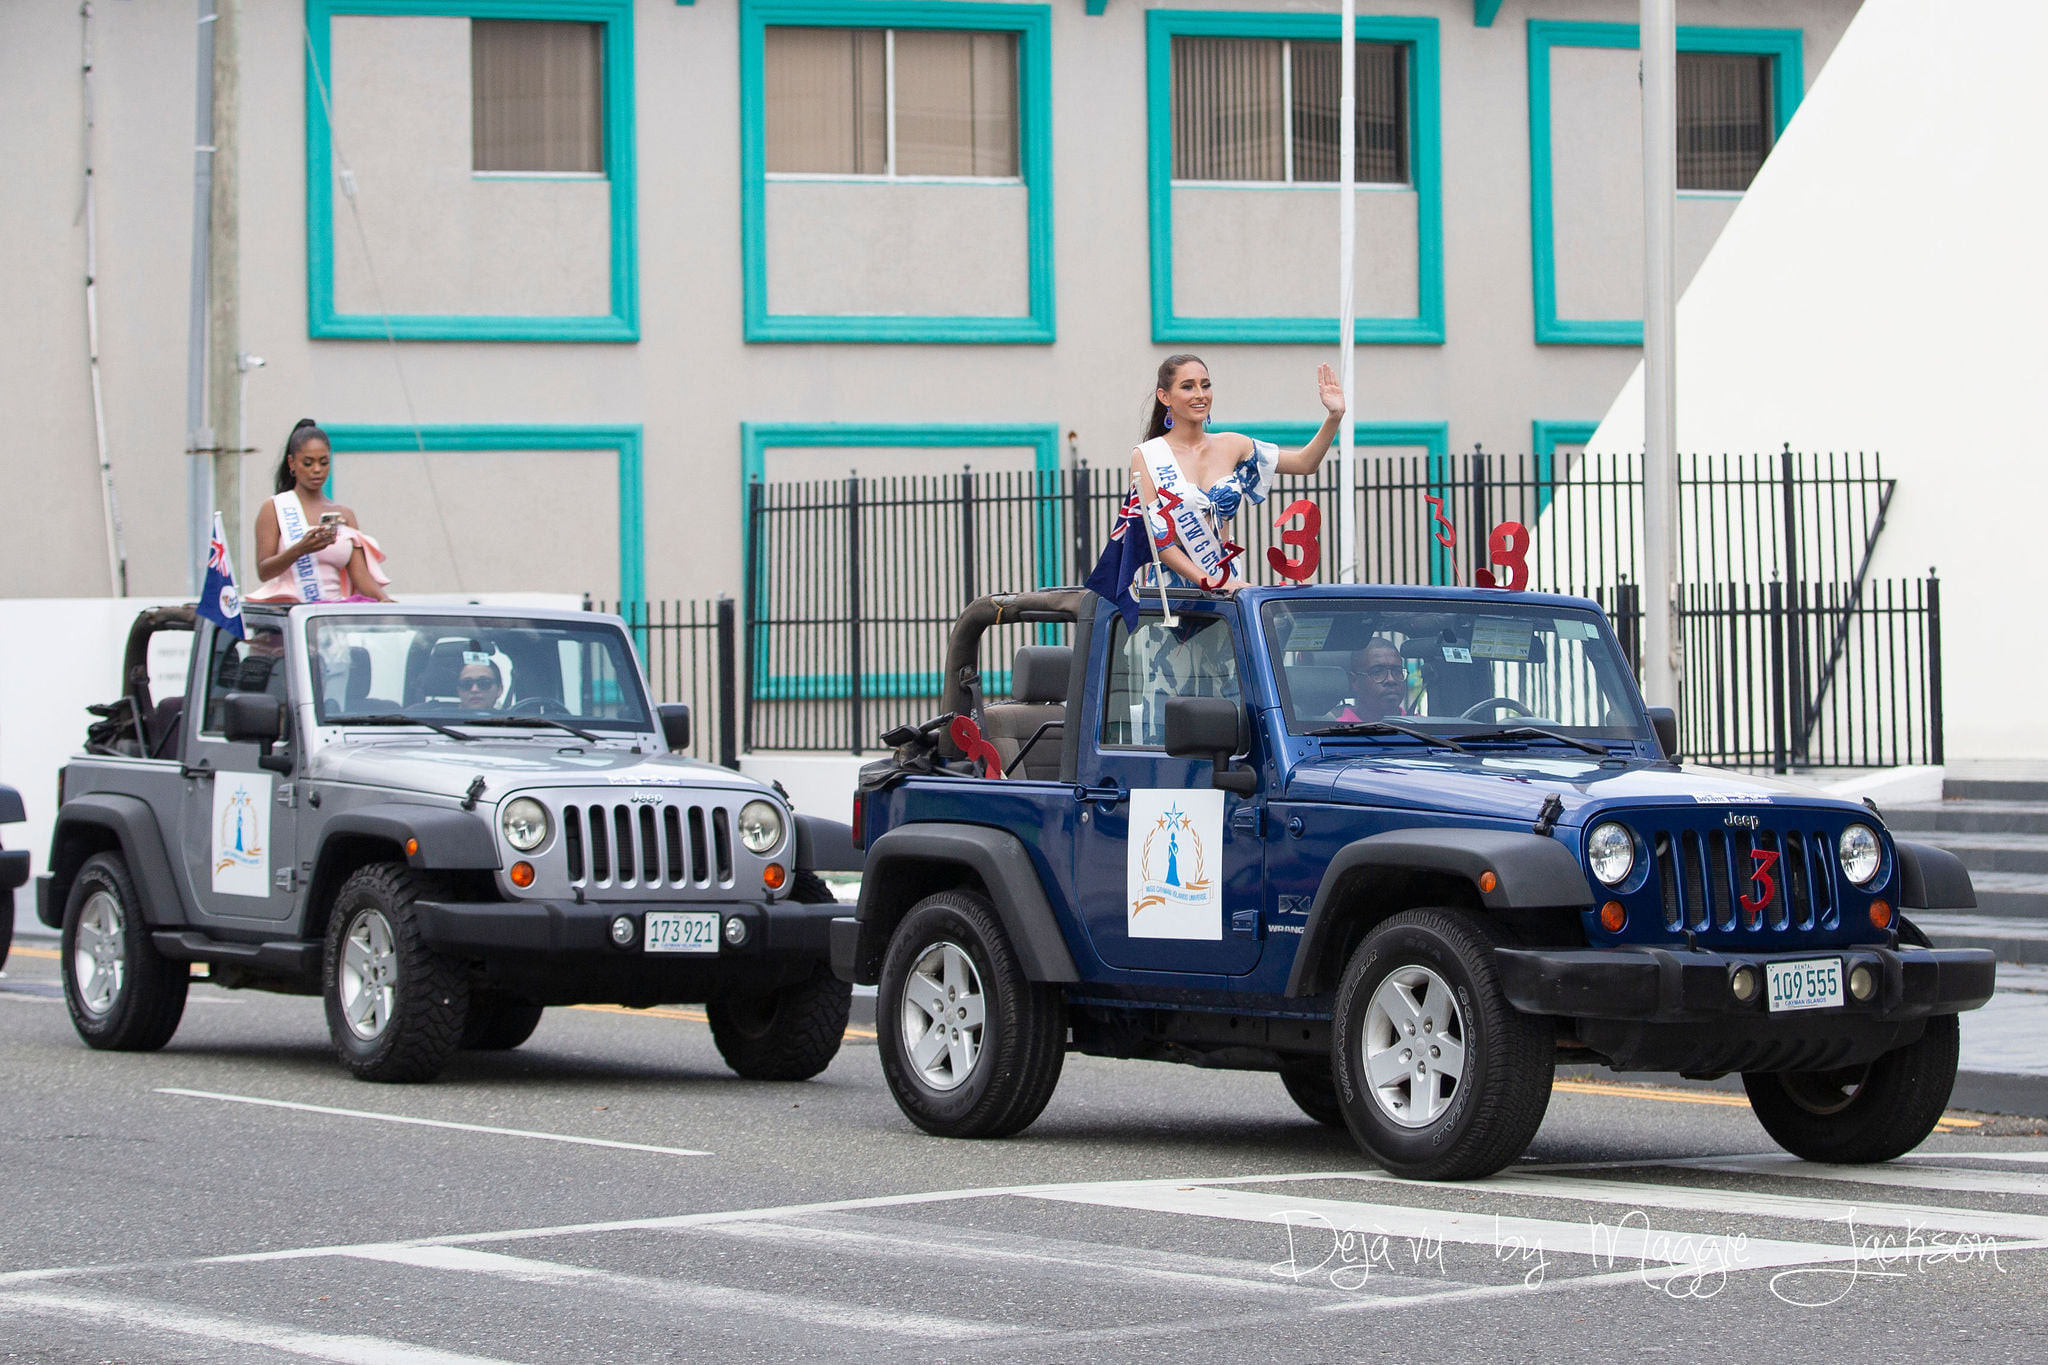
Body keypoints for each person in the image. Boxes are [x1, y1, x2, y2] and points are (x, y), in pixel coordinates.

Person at [1128, 354, 1345, 592]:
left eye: (1206, 385)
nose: (1200, 394)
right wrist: (1210, 582)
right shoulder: (1147, 455)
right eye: (1188, 387)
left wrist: (1334, 417)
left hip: (1226, 586)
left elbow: (1305, 463)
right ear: (1164, 396)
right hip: (1173, 593)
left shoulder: (1232, 445)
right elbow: (1156, 538)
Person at [249, 419, 393, 603]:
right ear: (292, 463)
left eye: (323, 463)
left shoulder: (344, 514)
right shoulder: (276, 507)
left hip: (331, 614)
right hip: (292, 609)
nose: (317, 470)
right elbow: (264, 571)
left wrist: (384, 600)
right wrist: (300, 549)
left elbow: (360, 575)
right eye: (308, 463)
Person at [1334, 637, 1414, 721]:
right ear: (1354, 681)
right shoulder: (1334, 730)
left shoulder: (1422, 727)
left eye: (1397, 671)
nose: (1391, 680)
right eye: (1377, 672)